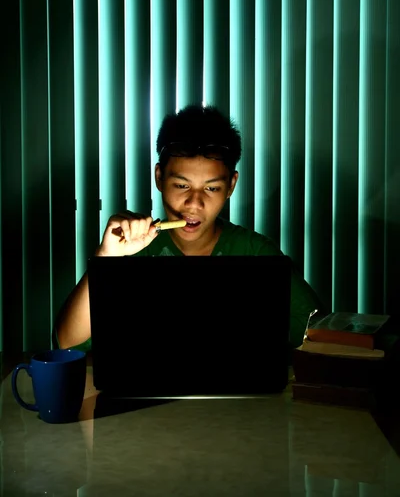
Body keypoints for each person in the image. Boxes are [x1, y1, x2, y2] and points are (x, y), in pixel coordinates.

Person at [54, 104, 324, 354]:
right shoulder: (130, 250)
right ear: (159, 178)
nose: (194, 204)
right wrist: (105, 258)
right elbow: (67, 342)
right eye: (182, 186)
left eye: (212, 188)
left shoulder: (255, 252)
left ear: (231, 186)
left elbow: (320, 330)